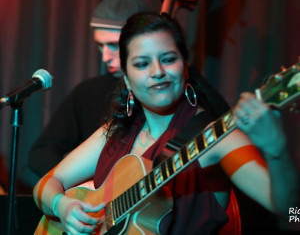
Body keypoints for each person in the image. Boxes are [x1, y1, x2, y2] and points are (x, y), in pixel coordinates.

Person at [33, 12, 299, 234]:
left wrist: (276, 151)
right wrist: (62, 207)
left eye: (169, 59)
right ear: (126, 79)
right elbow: (47, 183)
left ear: (185, 67)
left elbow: (294, 214)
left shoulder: (218, 138)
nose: (157, 72)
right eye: (141, 63)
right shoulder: (115, 132)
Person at [28, 0, 148, 177]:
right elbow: (40, 153)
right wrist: (82, 188)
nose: (105, 56)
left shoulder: (171, 88)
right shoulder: (89, 92)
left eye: (114, 45)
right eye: (100, 45)